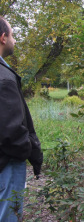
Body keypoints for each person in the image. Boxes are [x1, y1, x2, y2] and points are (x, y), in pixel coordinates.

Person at [0, 17, 43, 221]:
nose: (14, 41)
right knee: (9, 215)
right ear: (3, 37)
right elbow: (11, 131)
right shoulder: (4, 78)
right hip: (6, 162)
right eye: (13, 35)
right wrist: (28, 150)